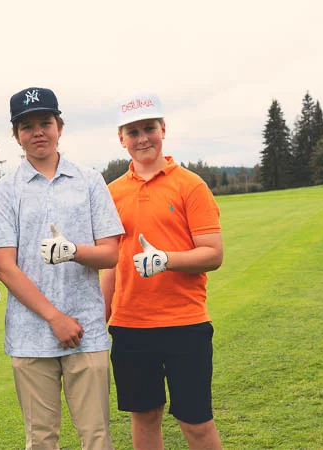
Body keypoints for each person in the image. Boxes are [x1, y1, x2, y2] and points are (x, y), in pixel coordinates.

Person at [0, 87, 124, 450]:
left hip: (86, 329)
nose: (38, 132)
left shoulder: (89, 181)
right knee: (41, 440)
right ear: (16, 135)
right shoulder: (4, 190)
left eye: (45, 123)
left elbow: (111, 254)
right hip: (31, 335)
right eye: (27, 126)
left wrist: (73, 251)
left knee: (97, 437)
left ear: (59, 127)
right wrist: (54, 318)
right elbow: (5, 267)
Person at [101, 93, 224, 449]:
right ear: (121, 138)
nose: (142, 139)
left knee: (196, 422)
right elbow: (112, 263)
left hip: (185, 324)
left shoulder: (190, 185)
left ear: (163, 130)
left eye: (149, 129)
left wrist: (166, 259)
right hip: (130, 327)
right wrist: (101, 317)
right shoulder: (112, 193)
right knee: (144, 417)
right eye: (133, 131)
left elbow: (213, 253)